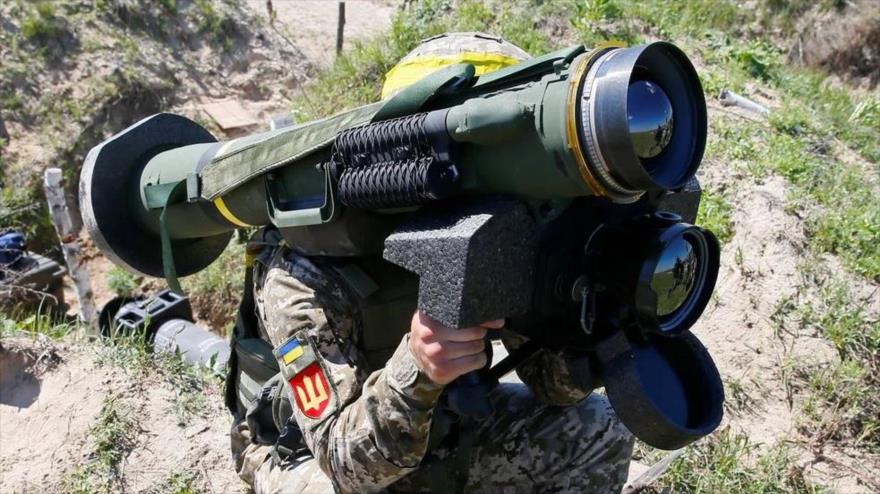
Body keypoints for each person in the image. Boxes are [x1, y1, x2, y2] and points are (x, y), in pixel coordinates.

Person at [228, 33, 634, 494]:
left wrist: (600, 327)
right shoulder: (306, 270)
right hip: (306, 449)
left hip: (440, 427)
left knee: (597, 430)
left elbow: (553, 386)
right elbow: (343, 463)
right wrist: (419, 367)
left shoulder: (494, 229)